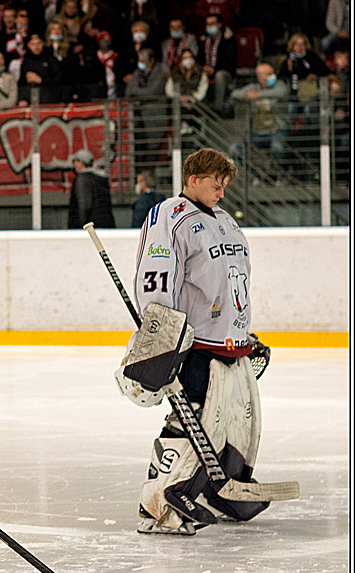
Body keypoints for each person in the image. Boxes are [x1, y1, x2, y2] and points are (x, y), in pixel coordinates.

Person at [129, 148, 270, 535]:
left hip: (229, 345)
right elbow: (156, 277)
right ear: (192, 178)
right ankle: (158, 503)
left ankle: (216, 491)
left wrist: (242, 332)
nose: (221, 193)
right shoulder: (169, 217)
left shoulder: (224, 221)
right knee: (190, 421)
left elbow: (232, 280)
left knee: (237, 426)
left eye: (224, 186)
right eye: (214, 184)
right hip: (196, 344)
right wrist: (162, 335)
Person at [66, 149, 114, 228]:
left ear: (80, 162)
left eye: (74, 161)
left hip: (90, 230)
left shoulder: (83, 180)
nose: (73, 165)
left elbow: (84, 206)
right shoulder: (101, 179)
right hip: (105, 226)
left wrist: (78, 228)